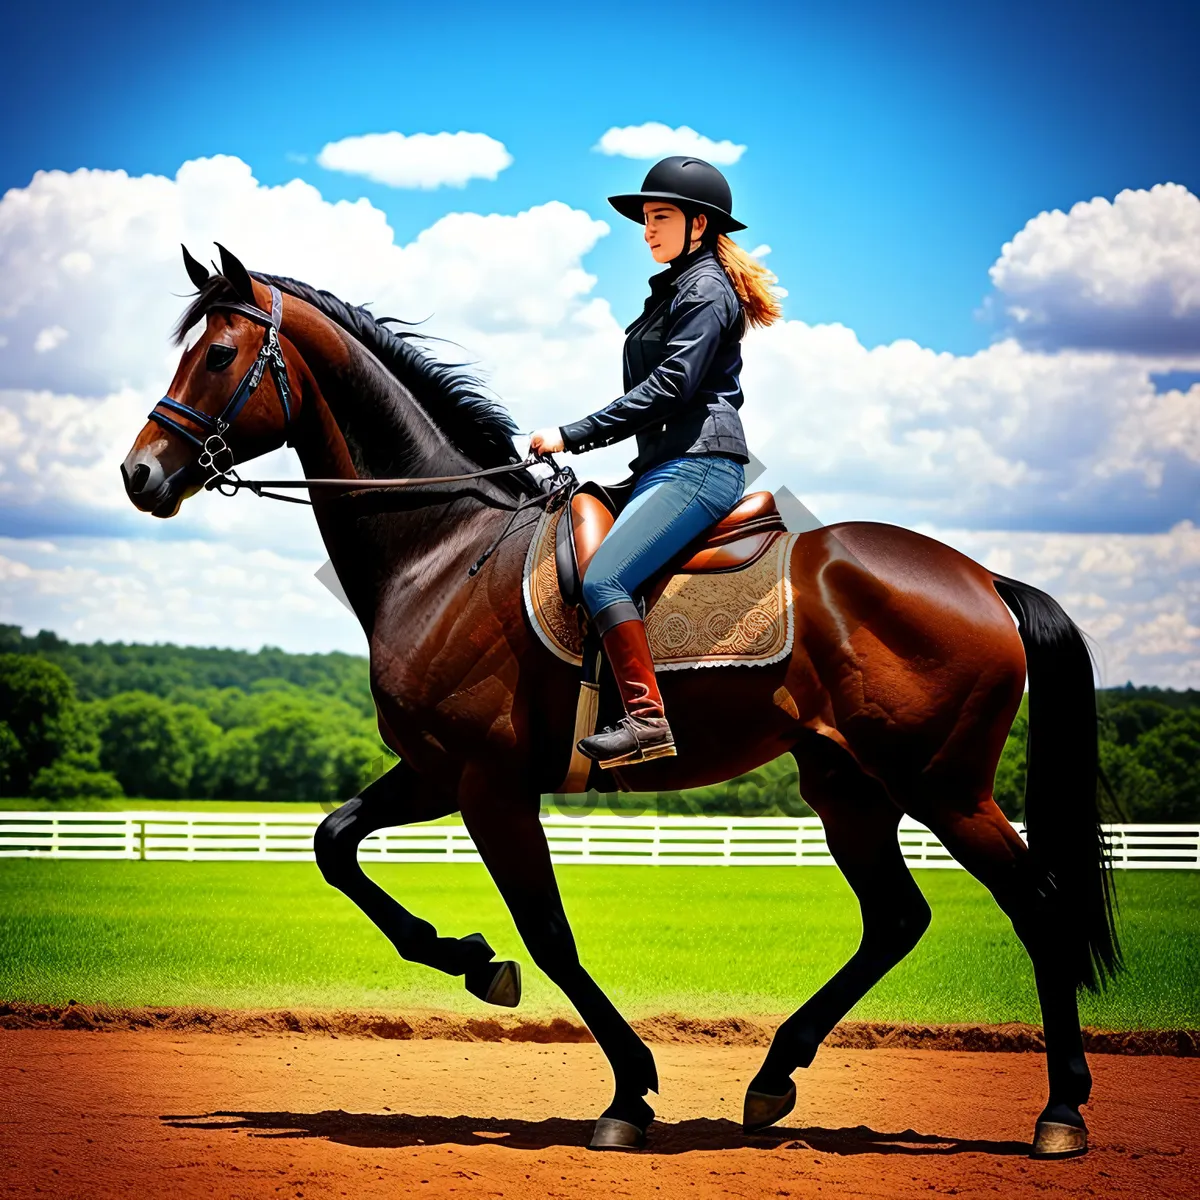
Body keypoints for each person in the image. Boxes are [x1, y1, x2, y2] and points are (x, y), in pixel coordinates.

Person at [529, 155, 782, 769]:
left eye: (661, 217)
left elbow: (672, 387)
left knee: (604, 579)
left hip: (700, 466)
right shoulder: (674, 288)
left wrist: (572, 433)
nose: (648, 230)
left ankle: (647, 720)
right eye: (644, 219)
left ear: (699, 225)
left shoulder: (706, 290)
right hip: (661, 465)